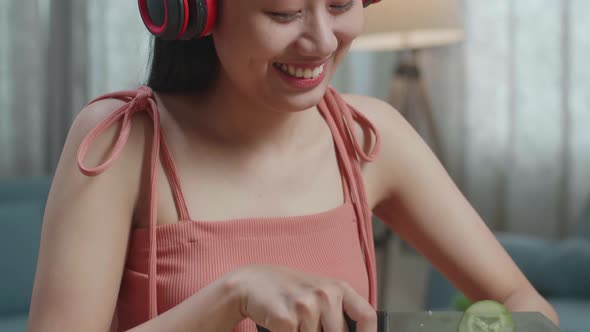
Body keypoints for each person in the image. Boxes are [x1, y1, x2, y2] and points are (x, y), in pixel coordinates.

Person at [27, 0, 559, 331]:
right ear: (196, 8)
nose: (323, 41)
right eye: (283, 13)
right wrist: (230, 298)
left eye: (341, 3)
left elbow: (523, 305)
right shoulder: (121, 142)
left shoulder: (371, 138)